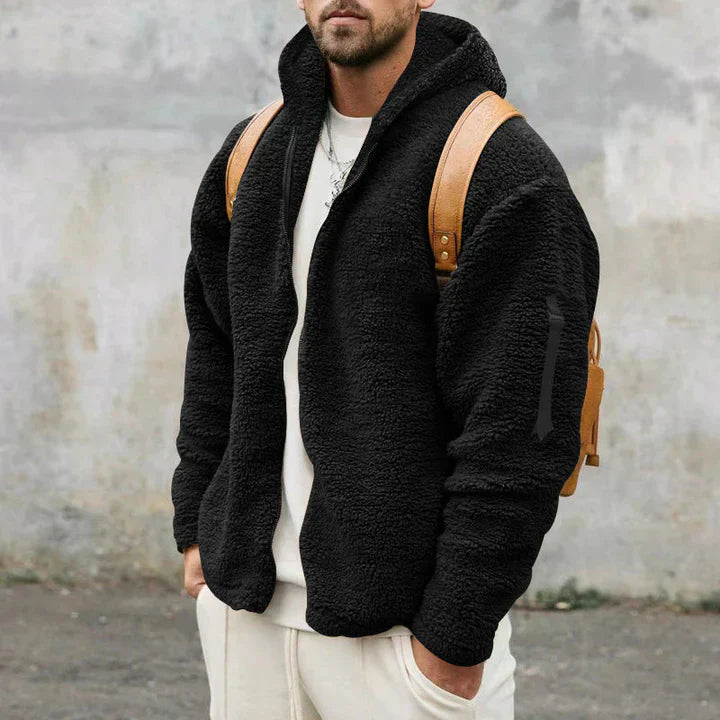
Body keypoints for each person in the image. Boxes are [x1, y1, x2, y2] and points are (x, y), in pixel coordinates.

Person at [171, 2, 600, 719]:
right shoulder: (254, 152)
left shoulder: (496, 164)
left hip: (402, 641)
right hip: (244, 614)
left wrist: (455, 632)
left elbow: (527, 423)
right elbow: (216, 352)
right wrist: (197, 527)